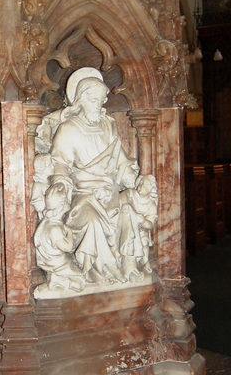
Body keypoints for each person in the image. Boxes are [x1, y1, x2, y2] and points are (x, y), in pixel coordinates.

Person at [33, 68, 155, 294]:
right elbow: (60, 164)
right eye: (92, 99)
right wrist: (61, 184)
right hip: (83, 197)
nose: (98, 105)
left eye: (101, 100)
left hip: (109, 193)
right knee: (91, 222)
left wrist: (132, 179)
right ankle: (96, 273)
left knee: (128, 210)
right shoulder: (68, 129)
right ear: (80, 100)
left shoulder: (109, 126)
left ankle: (129, 268)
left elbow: (121, 161)